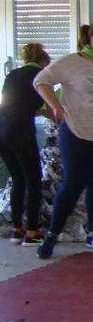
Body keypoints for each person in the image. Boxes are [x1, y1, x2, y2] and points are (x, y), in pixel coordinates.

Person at [34, 20, 93, 259]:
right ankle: (51, 235)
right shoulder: (71, 62)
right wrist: (55, 107)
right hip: (77, 132)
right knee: (73, 184)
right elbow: (40, 81)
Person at [0, 43, 51, 246]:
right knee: (34, 180)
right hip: (21, 132)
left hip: (2, 131)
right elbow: (47, 106)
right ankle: (32, 231)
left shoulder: (13, 75)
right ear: (43, 62)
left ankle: (16, 229)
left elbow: (12, 102)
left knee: (17, 178)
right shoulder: (41, 77)